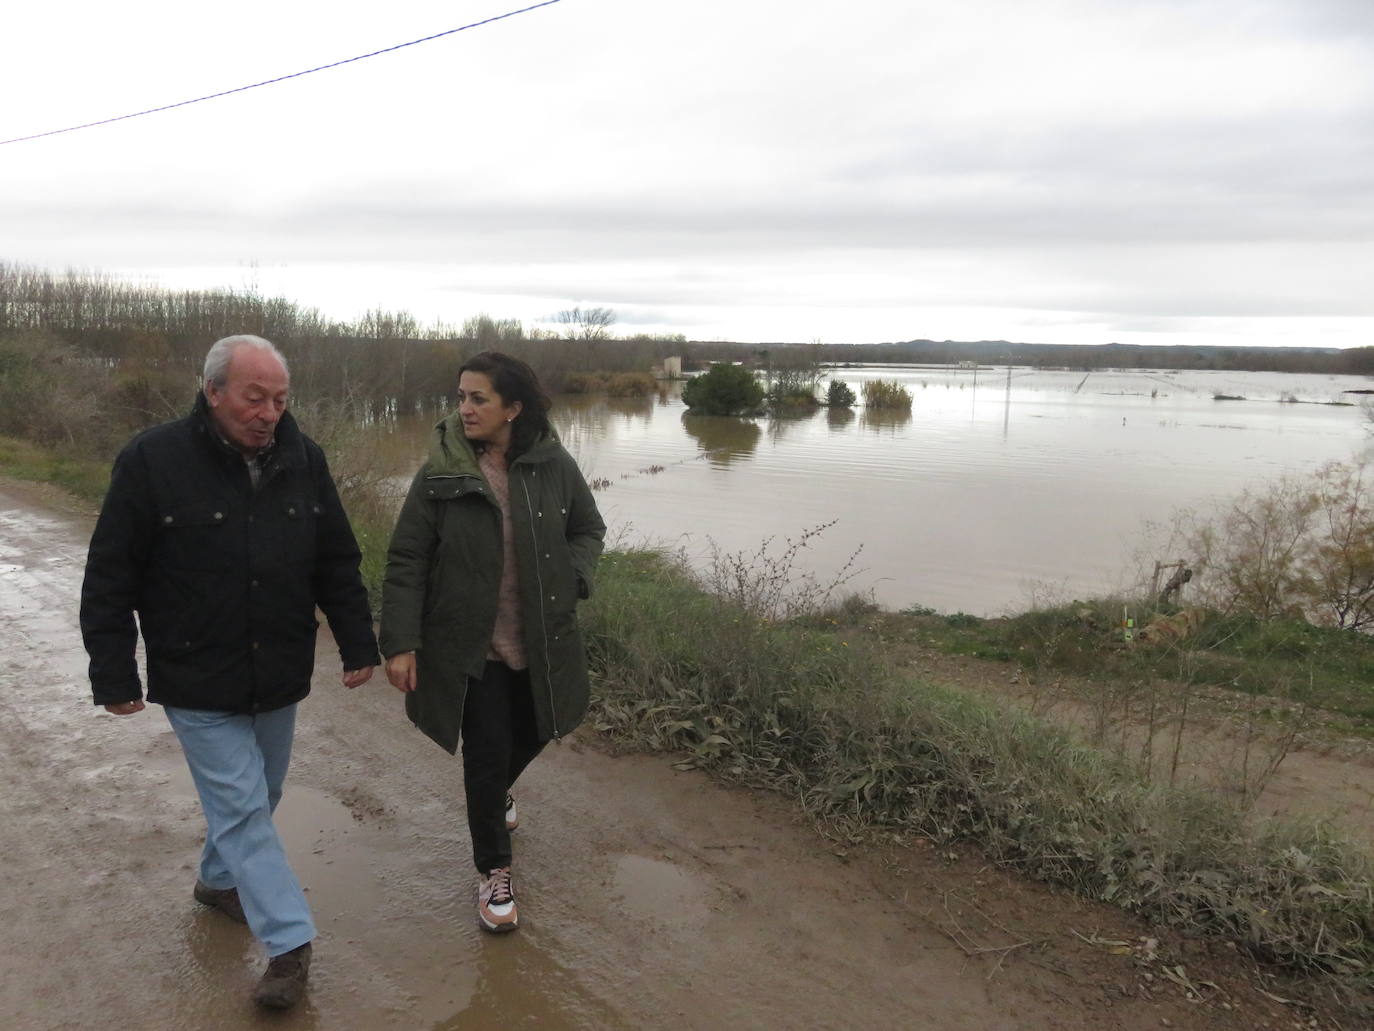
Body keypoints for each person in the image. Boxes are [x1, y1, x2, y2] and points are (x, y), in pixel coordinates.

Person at [80, 334, 379, 1011]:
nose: (269, 411)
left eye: (279, 399)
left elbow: (335, 557)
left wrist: (357, 640)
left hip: (276, 668)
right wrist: (114, 671)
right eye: (254, 397)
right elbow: (111, 572)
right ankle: (290, 939)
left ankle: (218, 881)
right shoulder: (152, 460)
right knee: (243, 808)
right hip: (195, 673)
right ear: (213, 391)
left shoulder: (305, 459)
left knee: (261, 794)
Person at [381, 351, 605, 933]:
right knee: (484, 757)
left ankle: (497, 793)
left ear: (514, 407)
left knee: (537, 729)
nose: (465, 408)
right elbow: (408, 557)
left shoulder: (552, 464)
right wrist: (400, 640)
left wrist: (574, 575)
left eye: (478, 398)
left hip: (539, 641)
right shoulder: (443, 470)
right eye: (461, 397)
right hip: (468, 646)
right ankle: (493, 870)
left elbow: (588, 527)